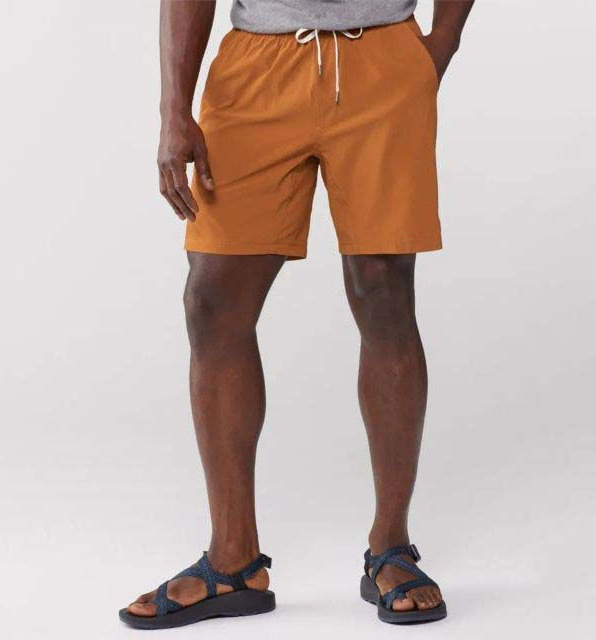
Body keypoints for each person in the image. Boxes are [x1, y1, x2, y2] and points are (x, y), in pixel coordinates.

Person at [119, 0, 475, 629]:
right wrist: (174, 108)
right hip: (256, 67)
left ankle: (390, 547)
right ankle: (232, 561)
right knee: (212, 300)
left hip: (383, 59)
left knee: (384, 291)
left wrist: (442, 39)